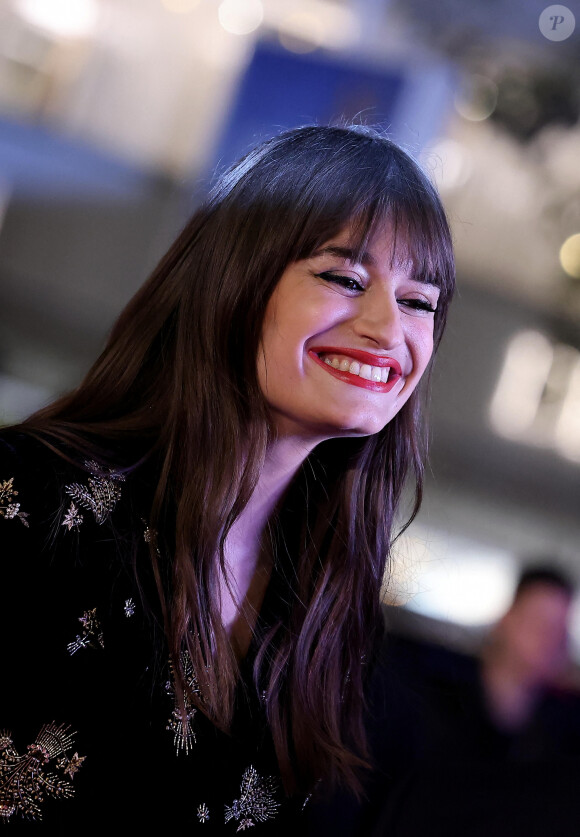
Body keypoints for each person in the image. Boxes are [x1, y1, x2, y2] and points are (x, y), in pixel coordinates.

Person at [0, 124, 455, 834]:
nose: (386, 327)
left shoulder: (329, 604)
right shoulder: (25, 499)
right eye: (344, 278)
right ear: (234, 278)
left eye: (420, 302)